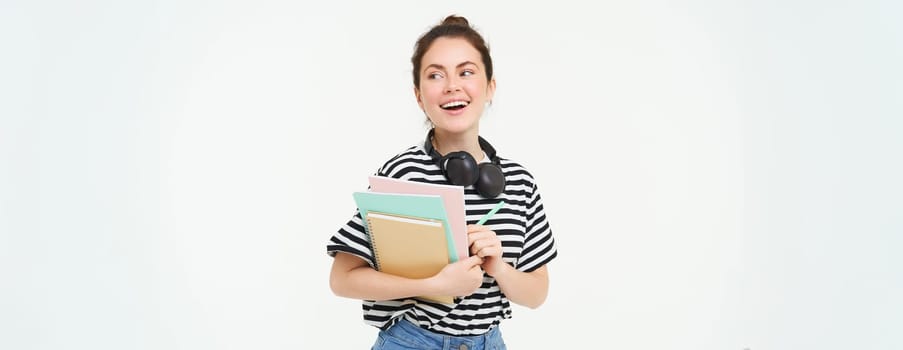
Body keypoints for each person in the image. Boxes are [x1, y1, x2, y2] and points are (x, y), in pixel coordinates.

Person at [327, 14, 558, 350]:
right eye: (436, 75)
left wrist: (500, 268)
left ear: (490, 86)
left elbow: (537, 294)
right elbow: (342, 279)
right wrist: (435, 283)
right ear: (419, 96)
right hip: (412, 341)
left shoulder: (519, 182)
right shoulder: (403, 172)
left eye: (466, 72)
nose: (452, 85)